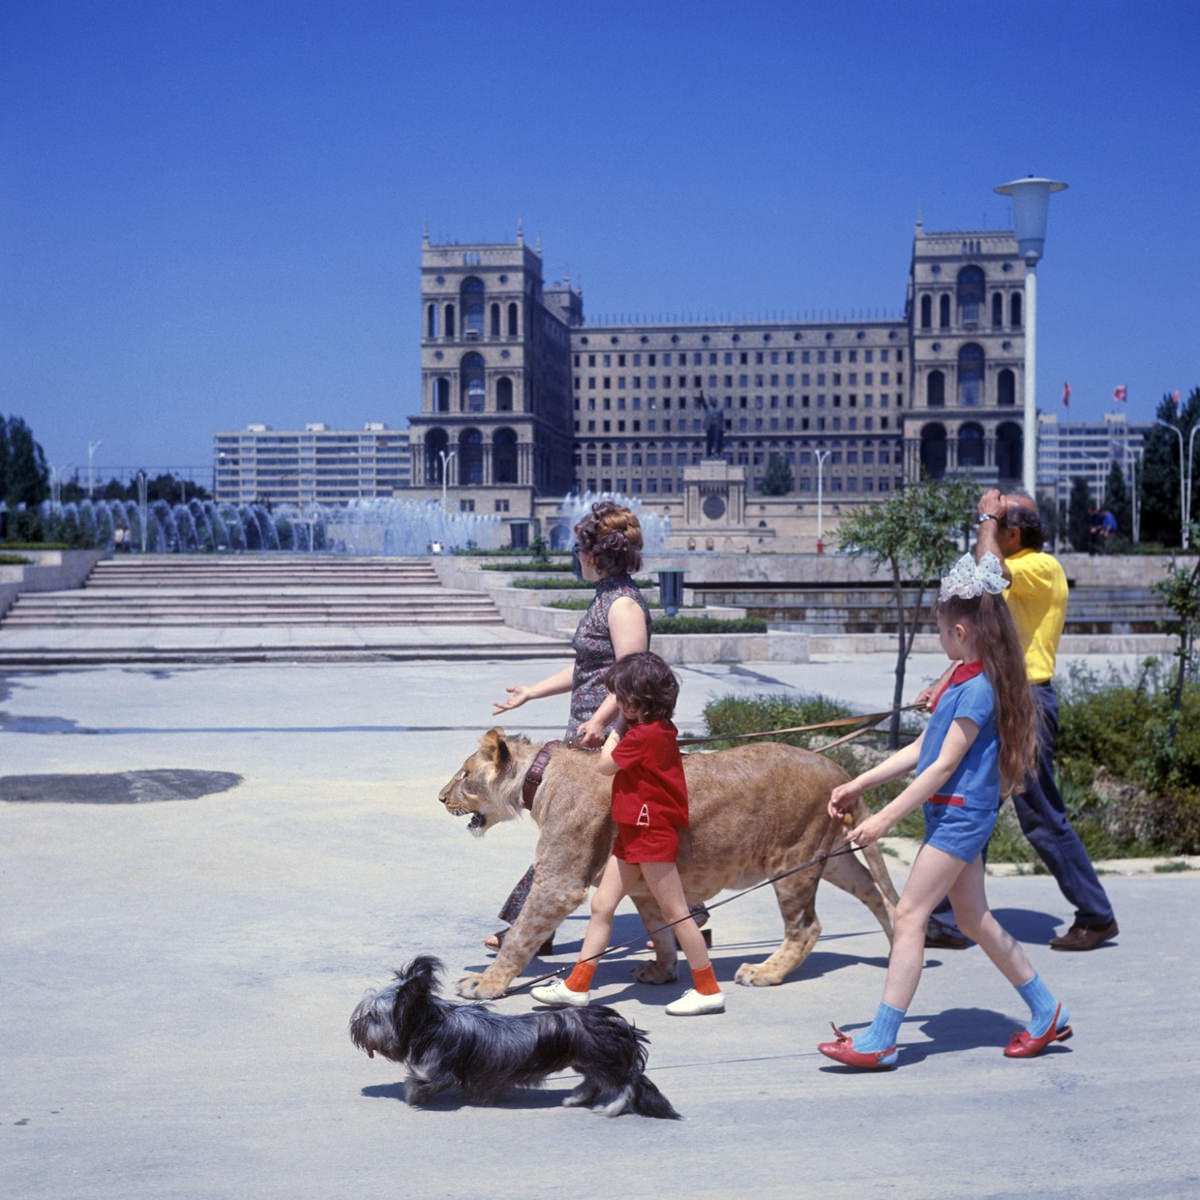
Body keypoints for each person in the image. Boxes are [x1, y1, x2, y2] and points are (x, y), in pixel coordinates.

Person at [818, 552, 1071, 1069]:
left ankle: (882, 1040)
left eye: (940, 631)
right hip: (952, 812)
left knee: (910, 915)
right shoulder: (961, 678)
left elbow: (939, 768)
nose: (940, 640)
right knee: (974, 919)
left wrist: (883, 821)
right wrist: (857, 783)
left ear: (960, 630)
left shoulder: (977, 690)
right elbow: (924, 751)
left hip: (960, 816)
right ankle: (1046, 1010)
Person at [922, 489, 1119, 952]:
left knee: (1041, 815)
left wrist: (985, 520)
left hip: (1027, 701)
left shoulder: (1041, 567)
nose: (982, 526)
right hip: (998, 693)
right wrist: (945, 680)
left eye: (993, 522)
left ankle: (1096, 914)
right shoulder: (1011, 576)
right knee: (973, 804)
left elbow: (985, 575)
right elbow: (986, 636)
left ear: (1012, 533)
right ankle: (951, 917)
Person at [485, 500, 651, 952]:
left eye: (579, 549)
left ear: (597, 554)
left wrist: (600, 720)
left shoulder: (623, 606)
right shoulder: (606, 599)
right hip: (586, 736)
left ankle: (529, 930)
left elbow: (630, 675)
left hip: (609, 740)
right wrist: (532, 692)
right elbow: (588, 671)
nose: (576, 558)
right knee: (592, 836)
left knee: (571, 836)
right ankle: (686, 918)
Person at [531, 652, 724, 1016]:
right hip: (635, 830)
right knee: (602, 905)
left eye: (621, 698)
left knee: (677, 913)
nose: (617, 703)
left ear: (638, 701)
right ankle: (577, 985)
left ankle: (708, 988)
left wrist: (615, 728)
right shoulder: (655, 730)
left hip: (650, 833)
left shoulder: (645, 736)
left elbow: (605, 765)